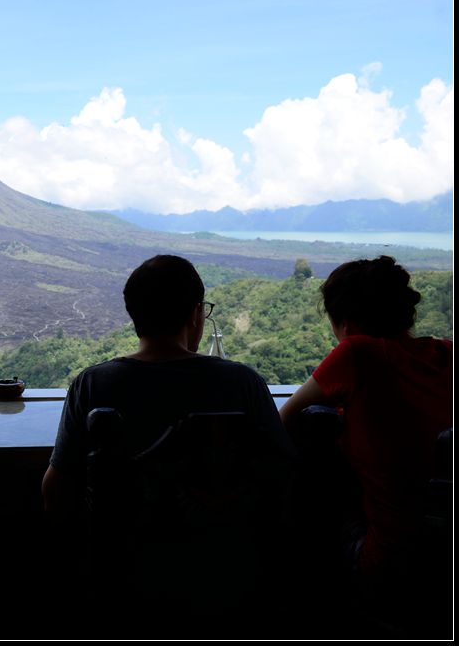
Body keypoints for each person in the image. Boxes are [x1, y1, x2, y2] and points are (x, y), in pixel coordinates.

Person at [42, 254, 293, 512]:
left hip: (122, 550)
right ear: (196, 314)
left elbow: (55, 489)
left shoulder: (92, 384)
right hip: (224, 549)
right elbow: (284, 480)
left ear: (134, 314)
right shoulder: (242, 382)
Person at [279, 256, 452, 617]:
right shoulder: (447, 354)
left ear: (344, 322)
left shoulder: (357, 352)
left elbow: (284, 421)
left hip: (388, 559)